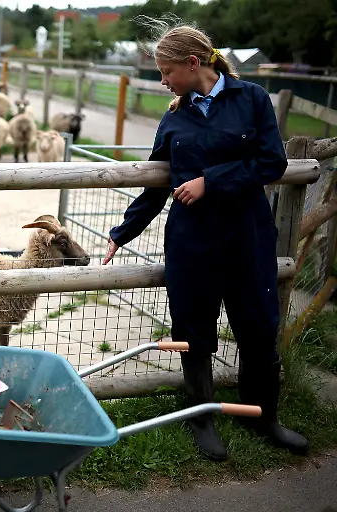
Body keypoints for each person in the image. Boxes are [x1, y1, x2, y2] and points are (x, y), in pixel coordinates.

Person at [102, 17, 309, 461]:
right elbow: (157, 185)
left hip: (247, 239)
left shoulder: (250, 99)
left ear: (193, 63)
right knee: (194, 332)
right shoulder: (174, 118)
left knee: (257, 329)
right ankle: (202, 420)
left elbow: (271, 162)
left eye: (167, 72)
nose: (163, 82)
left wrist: (208, 182)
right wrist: (123, 232)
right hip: (192, 244)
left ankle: (263, 418)